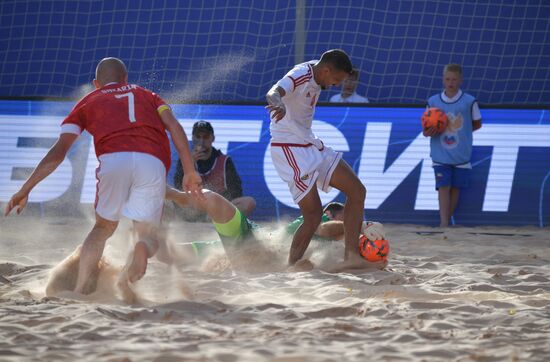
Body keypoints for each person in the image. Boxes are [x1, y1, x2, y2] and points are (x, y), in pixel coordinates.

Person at [4, 57, 202, 295]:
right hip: (152, 161)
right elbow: (175, 127)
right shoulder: (148, 96)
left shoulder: (88, 101)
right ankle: (141, 248)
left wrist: (26, 188)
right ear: (125, 79)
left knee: (102, 229)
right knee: (148, 233)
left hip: (114, 160)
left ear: (96, 83)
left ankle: (81, 286)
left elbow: (58, 152)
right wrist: (190, 170)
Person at [265, 49, 368, 269]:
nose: (336, 85)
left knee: (357, 191)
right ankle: (292, 265)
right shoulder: (299, 74)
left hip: (309, 142)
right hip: (289, 149)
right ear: (327, 70)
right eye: (336, 79)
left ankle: (351, 256)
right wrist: (278, 102)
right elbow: (273, 91)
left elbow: (332, 59)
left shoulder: (319, 67)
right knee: (312, 216)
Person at [166, 187, 387, 273]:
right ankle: (169, 194)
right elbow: (325, 229)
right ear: (332, 213)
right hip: (250, 239)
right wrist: (360, 226)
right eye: (346, 217)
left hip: (241, 253)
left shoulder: (329, 247)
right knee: (210, 199)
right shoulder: (319, 219)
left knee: (171, 252)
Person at [423, 63, 482, 227]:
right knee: (443, 187)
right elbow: (426, 130)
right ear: (443, 79)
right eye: (448, 79)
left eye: (454, 79)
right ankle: (443, 224)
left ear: (460, 80)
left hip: (461, 154)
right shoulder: (433, 101)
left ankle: (447, 220)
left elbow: (476, 124)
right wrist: (431, 130)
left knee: (456, 188)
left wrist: (461, 132)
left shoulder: (469, 101)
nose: (451, 82)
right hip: (440, 154)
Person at [173, 120, 256, 217]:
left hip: (216, 211)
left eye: (206, 137)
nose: (201, 142)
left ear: (213, 138)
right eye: (198, 137)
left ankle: (215, 219)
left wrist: (215, 203)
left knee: (249, 202)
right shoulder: (186, 161)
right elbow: (178, 187)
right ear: (192, 138)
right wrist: (189, 164)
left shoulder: (224, 161)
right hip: (193, 210)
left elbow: (236, 191)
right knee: (165, 200)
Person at [286, 201, 385, 242]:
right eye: (343, 217)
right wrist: (360, 226)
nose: (346, 221)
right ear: (328, 213)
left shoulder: (332, 232)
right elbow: (323, 229)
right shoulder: (322, 217)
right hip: (284, 243)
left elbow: (343, 235)